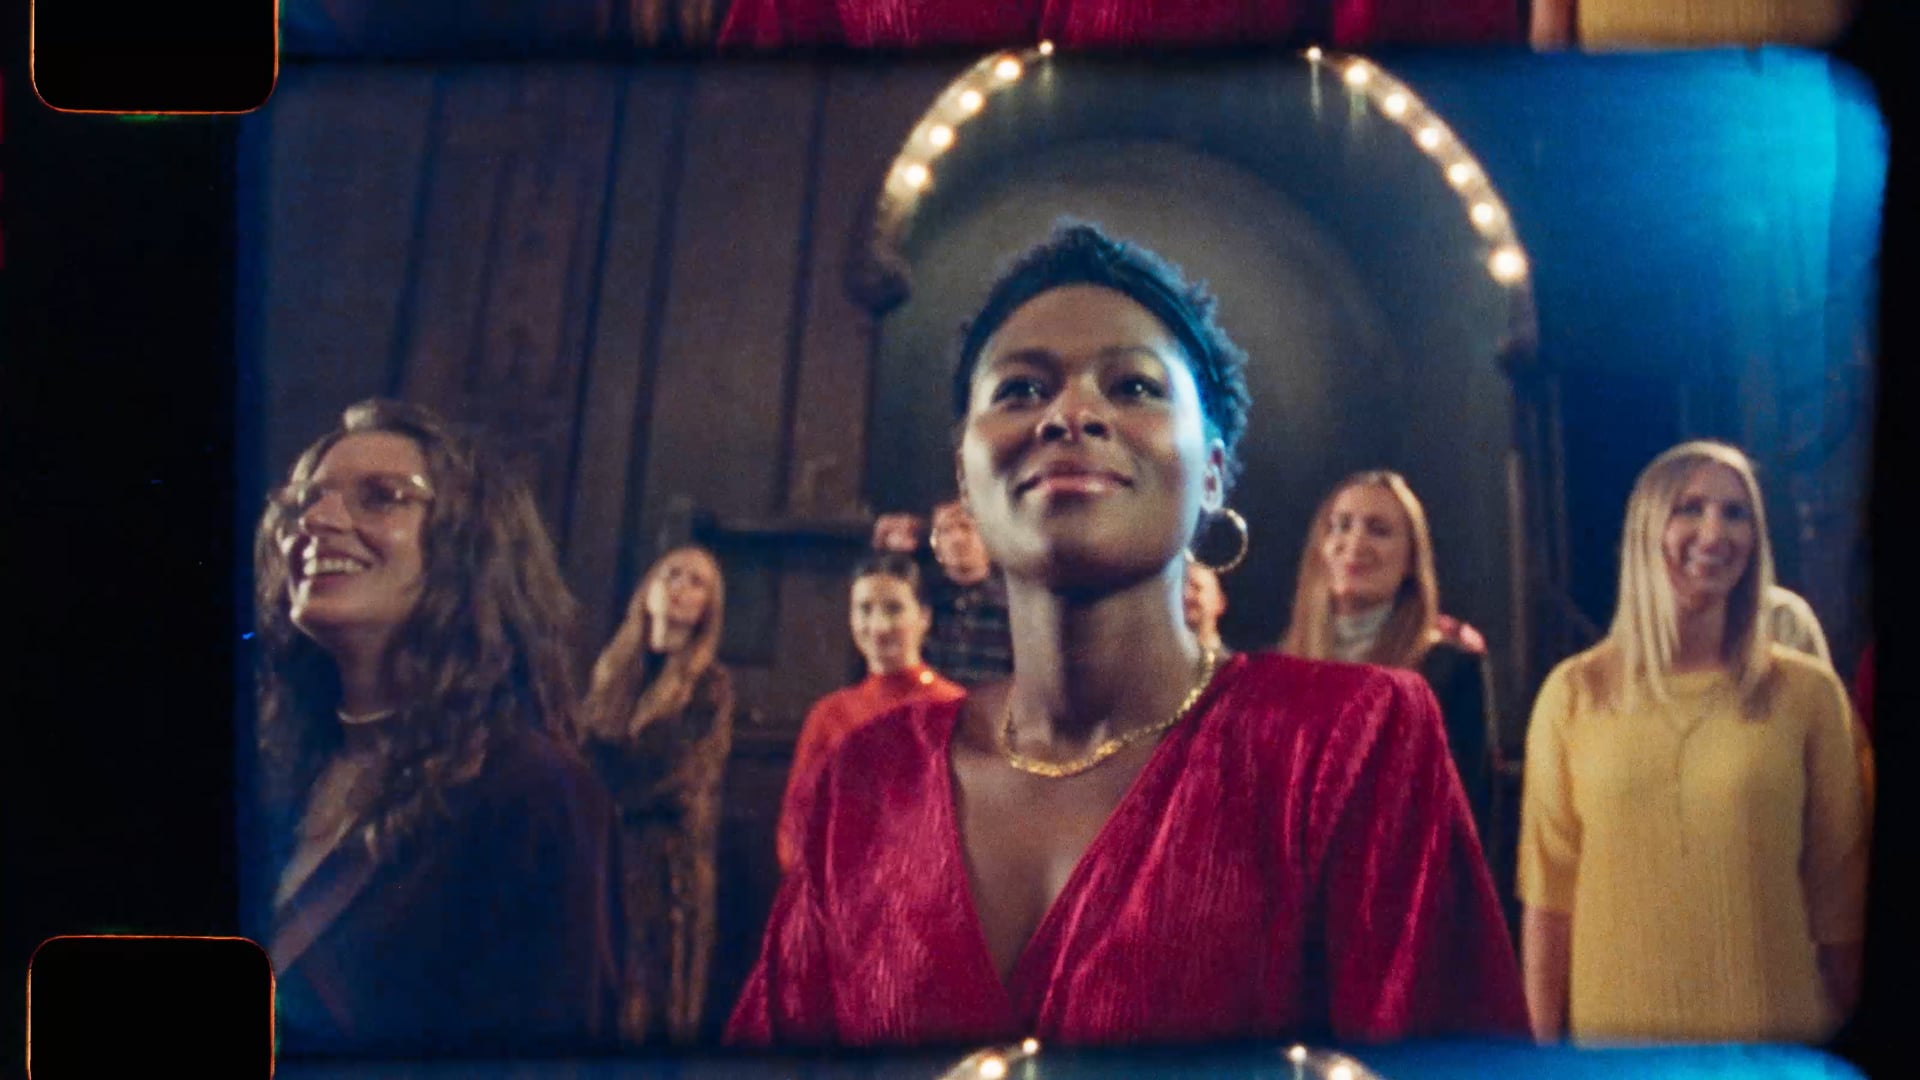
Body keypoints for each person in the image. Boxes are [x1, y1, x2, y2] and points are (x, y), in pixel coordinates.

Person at [728, 221, 1526, 1047]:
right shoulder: (868, 778)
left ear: (1211, 471)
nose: (1072, 413)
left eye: (1135, 386)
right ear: (965, 473)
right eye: (1020, 389)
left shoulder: (1347, 742)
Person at [256, 399, 620, 1056]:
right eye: (305, 502)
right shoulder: (275, 761)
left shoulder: (536, 793)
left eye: (381, 497)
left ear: (469, 549)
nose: (315, 521)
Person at [1516, 440, 1868, 1045]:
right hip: (1619, 1046)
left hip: (1774, 1044)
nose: (1715, 531)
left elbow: (1840, 889)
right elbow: (1549, 894)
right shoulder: (1573, 693)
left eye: (1736, 513)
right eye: (1690, 508)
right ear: (1646, 529)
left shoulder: (1808, 693)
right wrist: (1545, 1053)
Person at [1277, 471, 1500, 851]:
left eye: (1378, 530)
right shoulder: (1278, 675)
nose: (1355, 542)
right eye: (1340, 526)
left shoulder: (1450, 672)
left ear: (1412, 559)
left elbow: (1464, 830)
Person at [579, 546, 735, 1046]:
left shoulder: (708, 686)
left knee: (654, 1007)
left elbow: (678, 775)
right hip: (604, 854)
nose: (680, 588)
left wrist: (601, 786)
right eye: (672, 574)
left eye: (696, 582)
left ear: (708, 607)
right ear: (648, 589)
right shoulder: (610, 673)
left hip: (667, 864)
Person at [776, 553, 967, 874]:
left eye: (893, 609)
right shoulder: (830, 713)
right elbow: (797, 822)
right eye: (865, 609)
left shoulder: (954, 708)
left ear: (923, 616)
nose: (878, 626)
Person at [873, 500, 1014, 687]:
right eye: (946, 530)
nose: (957, 538)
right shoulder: (921, 600)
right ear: (935, 543)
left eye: (966, 527)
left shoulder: (1011, 604)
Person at [1183, 557, 1227, 654]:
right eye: (1183, 588)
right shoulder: (1165, 654)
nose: (1186, 595)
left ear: (1219, 602)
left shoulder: (1234, 662)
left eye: (1197, 588)